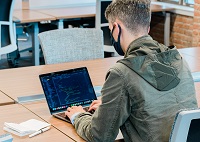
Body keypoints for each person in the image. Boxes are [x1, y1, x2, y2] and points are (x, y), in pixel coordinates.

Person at [65, 0, 198, 141]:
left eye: (110, 30)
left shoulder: (121, 73)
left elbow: (98, 136)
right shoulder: (179, 59)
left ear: (116, 28)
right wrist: (108, 108)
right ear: (147, 28)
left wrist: (78, 115)